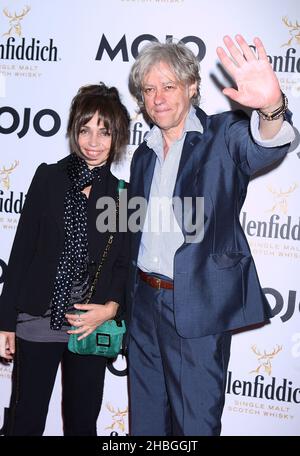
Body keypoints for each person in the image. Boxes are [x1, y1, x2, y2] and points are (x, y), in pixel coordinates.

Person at [127, 35, 295, 436]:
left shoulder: (225, 133)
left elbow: (264, 146)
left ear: (191, 87)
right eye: (149, 89)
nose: (158, 98)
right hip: (143, 303)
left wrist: (272, 107)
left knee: (194, 426)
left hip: (197, 305)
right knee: (146, 424)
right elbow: (132, 230)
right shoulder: (143, 154)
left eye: (168, 86)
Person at [0, 83, 130, 436]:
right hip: (38, 318)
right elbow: (22, 250)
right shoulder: (48, 177)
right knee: (25, 422)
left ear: (117, 137)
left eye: (104, 132)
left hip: (88, 325)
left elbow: (123, 264)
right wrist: (5, 322)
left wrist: (111, 308)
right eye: (85, 129)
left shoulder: (123, 195)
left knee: (82, 424)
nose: (93, 141)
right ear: (74, 130)